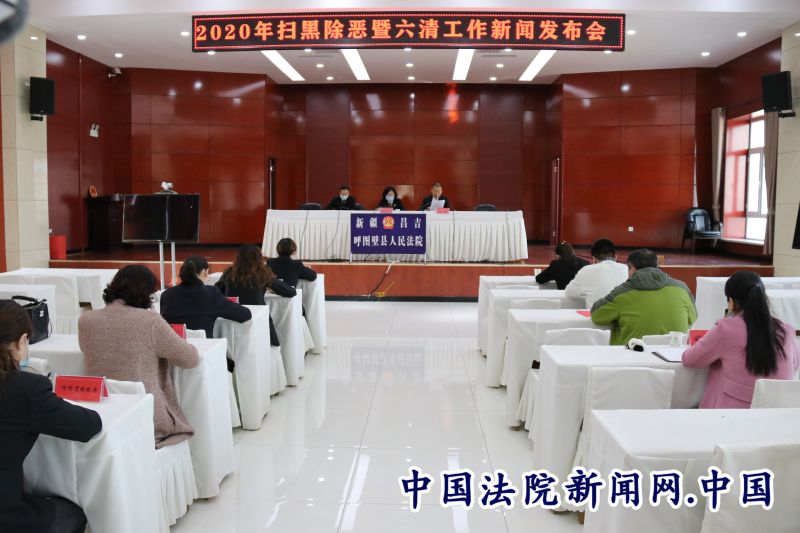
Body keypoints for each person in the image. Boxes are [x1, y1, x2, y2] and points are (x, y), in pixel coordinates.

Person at [0, 300, 102, 533]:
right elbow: (88, 426)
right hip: (7, 516)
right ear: (22, 341)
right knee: (74, 511)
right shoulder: (25, 388)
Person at [79, 265, 200, 449]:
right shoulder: (149, 321)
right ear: (146, 293)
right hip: (146, 414)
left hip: (100, 411)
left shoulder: (86, 320)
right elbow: (189, 359)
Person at [682, 271, 799, 408]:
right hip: (777, 410)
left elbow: (690, 359)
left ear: (731, 302)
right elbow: (795, 365)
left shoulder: (726, 329)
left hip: (733, 412)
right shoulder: (786, 330)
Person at [160, 256, 252, 371]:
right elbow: (244, 315)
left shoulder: (167, 295)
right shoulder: (210, 293)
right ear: (205, 272)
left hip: (172, 362)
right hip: (205, 360)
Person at [591, 249, 697, 345]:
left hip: (631, 355)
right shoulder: (681, 288)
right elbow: (693, 317)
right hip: (673, 354)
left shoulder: (622, 292)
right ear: (657, 265)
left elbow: (596, 315)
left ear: (632, 269)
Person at [216, 244, 296, 346]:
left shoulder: (230, 272)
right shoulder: (262, 273)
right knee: (273, 344)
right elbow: (290, 292)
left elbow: (217, 290)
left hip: (232, 317)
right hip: (258, 318)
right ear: (259, 257)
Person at [564, 238, 629, 308]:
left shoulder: (587, 270)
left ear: (594, 259)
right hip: (625, 314)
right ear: (615, 257)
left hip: (597, 314)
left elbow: (569, 293)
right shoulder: (627, 269)